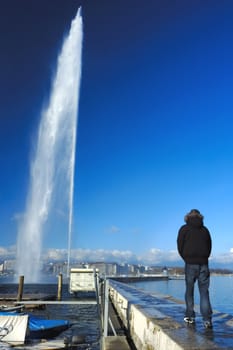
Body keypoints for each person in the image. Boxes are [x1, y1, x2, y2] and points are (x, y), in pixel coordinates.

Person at [177, 209, 213, 329]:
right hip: (203, 264)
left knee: (189, 291)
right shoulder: (205, 230)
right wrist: (203, 258)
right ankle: (207, 320)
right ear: (200, 217)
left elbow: (180, 246)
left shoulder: (184, 229)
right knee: (204, 293)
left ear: (188, 217)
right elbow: (209, 246)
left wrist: (187, 258)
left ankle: (190, 316)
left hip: (190, 264)